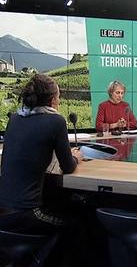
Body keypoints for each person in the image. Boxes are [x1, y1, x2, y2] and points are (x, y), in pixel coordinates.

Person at [0, 74, 83, 264]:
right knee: (78, 225)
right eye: (59, 98)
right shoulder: (56, 121)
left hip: (2, 212)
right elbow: (68, 167)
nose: (60, 103)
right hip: (26, 214)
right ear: (53, 100)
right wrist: (76, 157)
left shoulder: (14, 119)